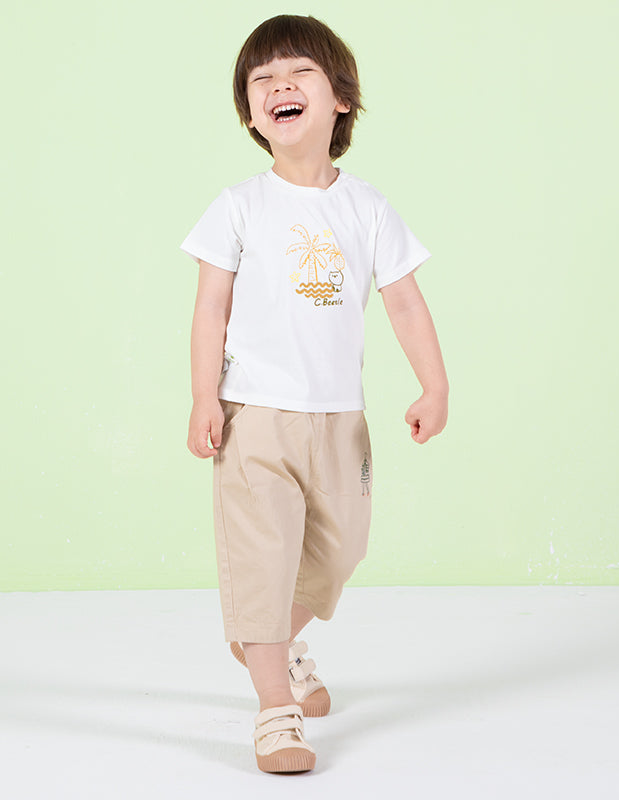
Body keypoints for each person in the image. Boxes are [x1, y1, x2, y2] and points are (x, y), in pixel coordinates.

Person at [181, 14, 448, 774]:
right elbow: (210, 310)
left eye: (297, 73)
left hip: (340, 419)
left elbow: (403, 301)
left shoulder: (366, 206)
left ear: (340, 101)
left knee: (338, 556)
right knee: (264, 560)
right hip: (254, 416)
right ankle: (275, 710)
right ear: (251, 115)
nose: (278, 86)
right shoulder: (238, 205)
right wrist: (205, 397)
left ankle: (271, 639)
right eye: (261, 81)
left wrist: (435, 382)